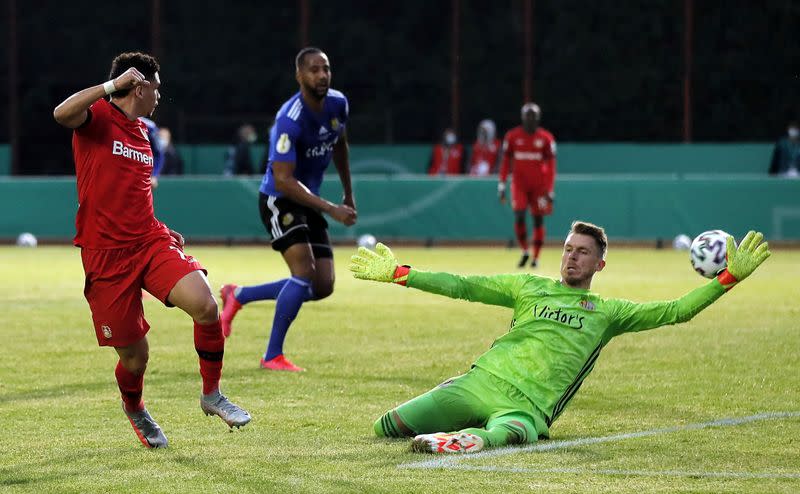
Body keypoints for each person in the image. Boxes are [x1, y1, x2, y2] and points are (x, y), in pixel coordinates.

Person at [350, 222, 771, 454]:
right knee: (387, 427)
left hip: (528, 407)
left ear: (599, 264)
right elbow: (461, 284)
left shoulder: (609, 313)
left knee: (512, 433)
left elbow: (677, 311)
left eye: (582, 252)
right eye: (568, 248)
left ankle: (470, 440)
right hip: (479, 383)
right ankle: (462, 426)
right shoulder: (527, 287)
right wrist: (401, 274)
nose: (572, 257)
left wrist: (728, 278)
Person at [52, 51, 250, 449]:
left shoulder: (143, 132)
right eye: (156, 88)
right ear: (137, 86)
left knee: (205, 305)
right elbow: (61, 113)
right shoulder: (98, 118)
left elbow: (135, 193)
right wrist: (110, 86)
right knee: (135, 359)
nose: (160, 96)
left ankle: (211, 395)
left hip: (148, 242)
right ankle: (136, 408)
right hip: (106, 255)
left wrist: (161, 229)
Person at [219, 47, 357, 372]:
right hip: (279, 199)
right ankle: (272, 356)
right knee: (304, 272)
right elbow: (283, 180)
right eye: (313, 70)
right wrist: (331, 209)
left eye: (326, 69)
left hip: (310, 199)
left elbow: (341, 146)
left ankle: (240, 295)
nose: (321, 75)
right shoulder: (288, 119)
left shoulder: (338, 104)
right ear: (300, 76)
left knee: (322, 286)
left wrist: (349, 194)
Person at [498, 102, 557, 268]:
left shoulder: (546, 138)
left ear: (538, 118)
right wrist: (501, 185)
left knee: (538, 220)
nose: (531, 119)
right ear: (523, 118)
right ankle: (525, 250)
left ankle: (536, 258)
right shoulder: (512, 137)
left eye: (534, 116)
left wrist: (550, 189)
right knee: (519, 215)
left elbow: (551, 166)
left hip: (539, 186)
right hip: (519, 184)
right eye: (528, 116)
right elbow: (505, 163)